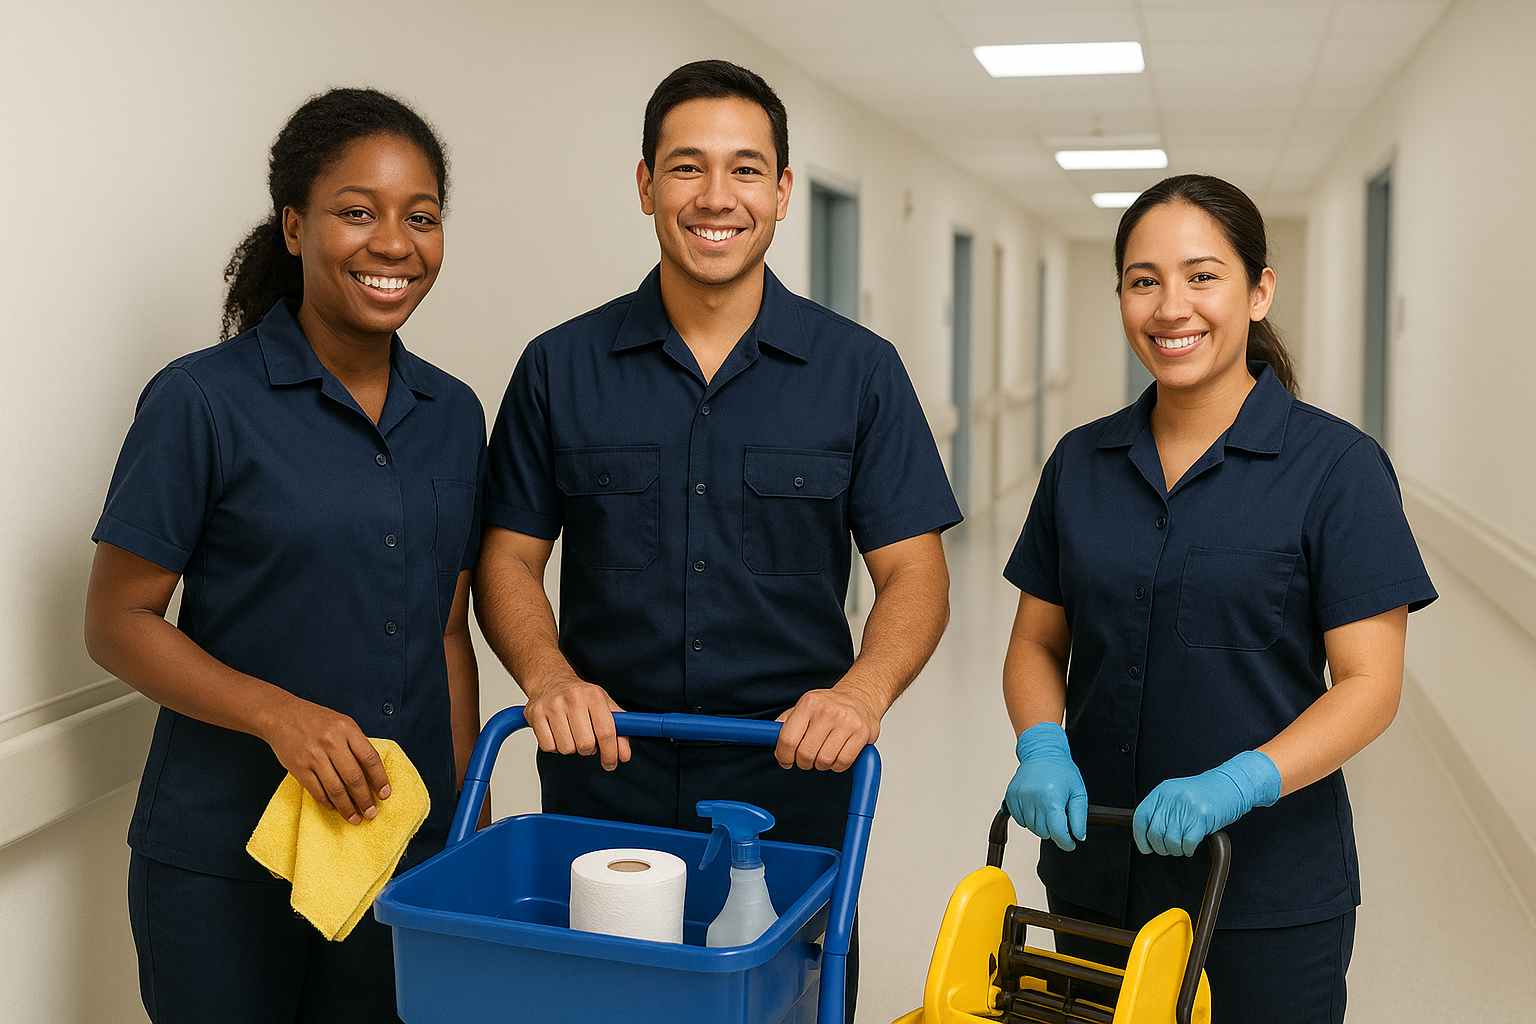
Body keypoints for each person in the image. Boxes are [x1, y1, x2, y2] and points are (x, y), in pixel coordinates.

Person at [474, 59, 960, 1018]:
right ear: (647, 185)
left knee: (784, 1005)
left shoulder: (859, 373)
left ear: (782, 192)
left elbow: (914, 572)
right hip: (601, 777)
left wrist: (861, 696)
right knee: (598, 1008)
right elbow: (509, 558)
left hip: (791, 782)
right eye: (688, 167)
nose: (716, 196)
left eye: (746, 169)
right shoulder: (558, 368)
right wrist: (547, 676)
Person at [83, 88, 486, 1023]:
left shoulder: (456, 415)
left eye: (421, 218)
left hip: (399, 853)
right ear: (296, 227)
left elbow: (447, 632)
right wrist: (281, 719)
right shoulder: (200, 402)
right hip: (226, 865)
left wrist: (467, 822)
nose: (395, 242)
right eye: (357, 211)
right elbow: (115, 622)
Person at [1001, 174, 1436, 1024]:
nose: (1171, 308)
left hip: (1262, 894)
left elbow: (1369, 685)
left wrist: (1241, 782)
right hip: (1096, 874)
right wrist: (1042, 744)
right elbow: (1036, 643)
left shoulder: (1336, 470)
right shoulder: (1079, 464)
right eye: (1143, 280)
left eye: (1203, 276)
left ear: (1258, 289)